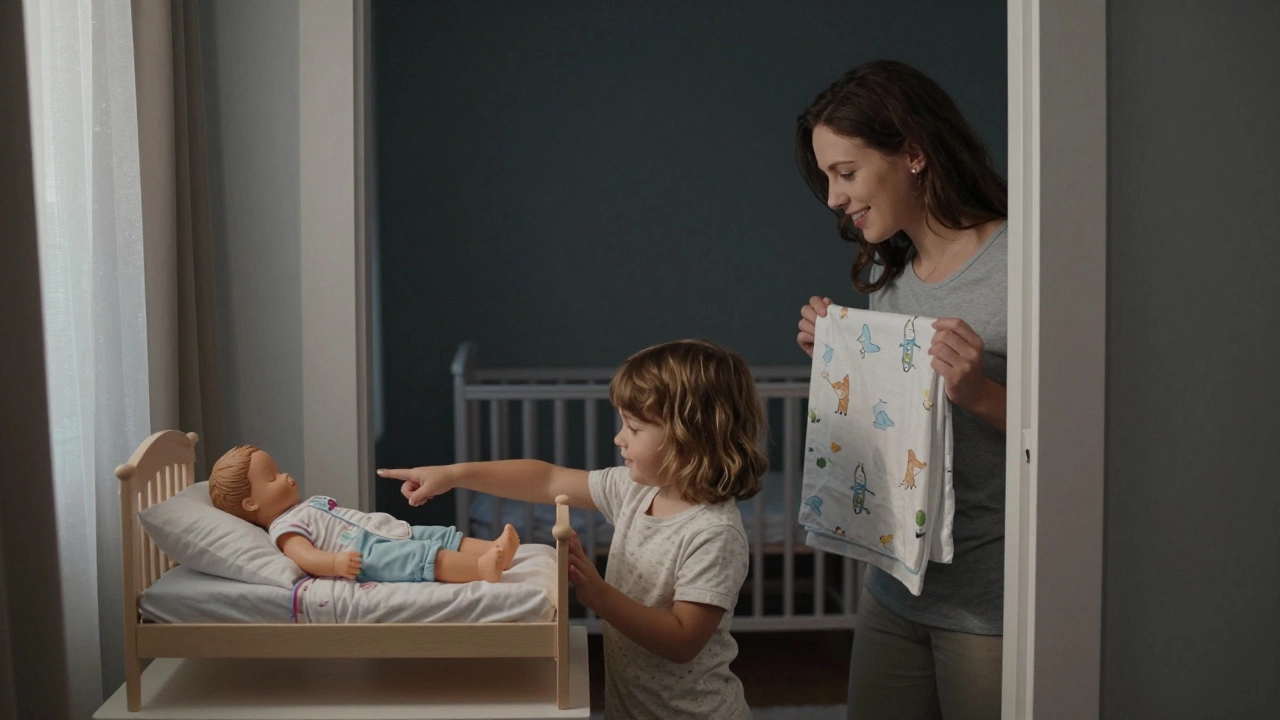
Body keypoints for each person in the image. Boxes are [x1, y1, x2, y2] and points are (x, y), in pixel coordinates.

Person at [378, 339, 768, 720]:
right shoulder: (635, 491)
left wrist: (597, 594)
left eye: (633, 428)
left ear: (691, 436)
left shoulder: (714, 533)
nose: (619, 438)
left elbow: (683, 641)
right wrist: (453, 475)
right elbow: (545, 479)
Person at [794, 59, 1008, 719]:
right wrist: (838, 363)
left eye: (846, 173)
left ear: (913, 153)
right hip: (890, 589)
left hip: (989, 602)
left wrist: (983, 395)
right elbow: (888, 432)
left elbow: (1088, 430)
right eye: (828, 177)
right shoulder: (887, 280)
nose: (833, 198)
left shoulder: (1024, 264)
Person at [208, 444, 520, 583]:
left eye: (280, 470)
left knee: (436, 535)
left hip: (379, 530)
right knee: (421, 558)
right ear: (251, 504)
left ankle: (495, 551)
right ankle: (481, 569)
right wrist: (335, 563)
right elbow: (303, 556)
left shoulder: (302, 507)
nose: (287, 476)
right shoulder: (284, 527)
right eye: (273, 477)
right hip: (363, 553)